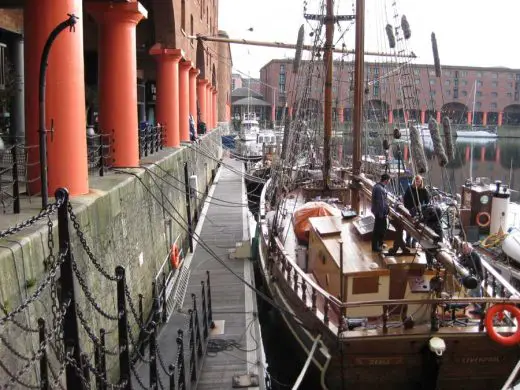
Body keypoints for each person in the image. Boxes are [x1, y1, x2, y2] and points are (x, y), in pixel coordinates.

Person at [403, 175, 430, 247]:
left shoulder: (423, 190)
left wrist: (422, 208)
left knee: (417, 227)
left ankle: (414, 241)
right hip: (410, 210)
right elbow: (405, 199)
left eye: (419, 181)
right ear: (414, 181)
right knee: (409, 225)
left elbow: (427, 201)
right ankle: (407, 241)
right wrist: (407, 208)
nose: (417, 183)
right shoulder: (410, 189)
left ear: (421, 182)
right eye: (416, 181)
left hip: (419, 211)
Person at [460, 242, 484, 315]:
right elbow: (462, 261)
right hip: (474, 277)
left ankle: (479, 308)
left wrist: (465, 259)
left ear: (469, 248)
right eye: (463, 248)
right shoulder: (467, 255)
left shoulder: (474, 255)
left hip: (478, 277)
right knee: (477, 293)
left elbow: (469, 264)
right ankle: (479, 308)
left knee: (470, 293)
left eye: (465, 248)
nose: (463, 250)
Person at [371, 173, 390, 252]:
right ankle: (375, 247)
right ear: (386, 180)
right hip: (380, 213)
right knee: (378, 230)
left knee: (382, 228)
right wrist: (382, 214)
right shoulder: (380, 189)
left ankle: (379, 243)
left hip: (379, 212)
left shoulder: (377, 186)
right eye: (389, 181)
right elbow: (381, 203)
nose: (389, 182)